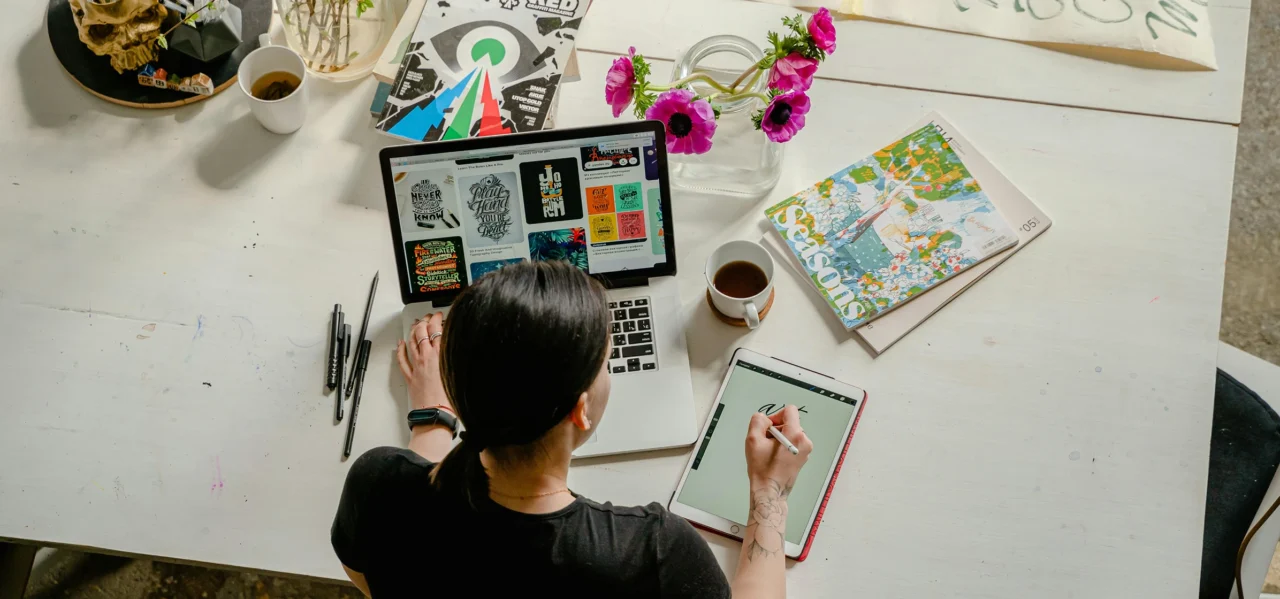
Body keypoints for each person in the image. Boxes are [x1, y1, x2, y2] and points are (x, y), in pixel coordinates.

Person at [331, 261, 813, 598]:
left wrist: (431, 415)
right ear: (581, 411)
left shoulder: (377, 486)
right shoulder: (652, 554)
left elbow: (371, 572)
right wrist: (770, 492)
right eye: (606, 362)